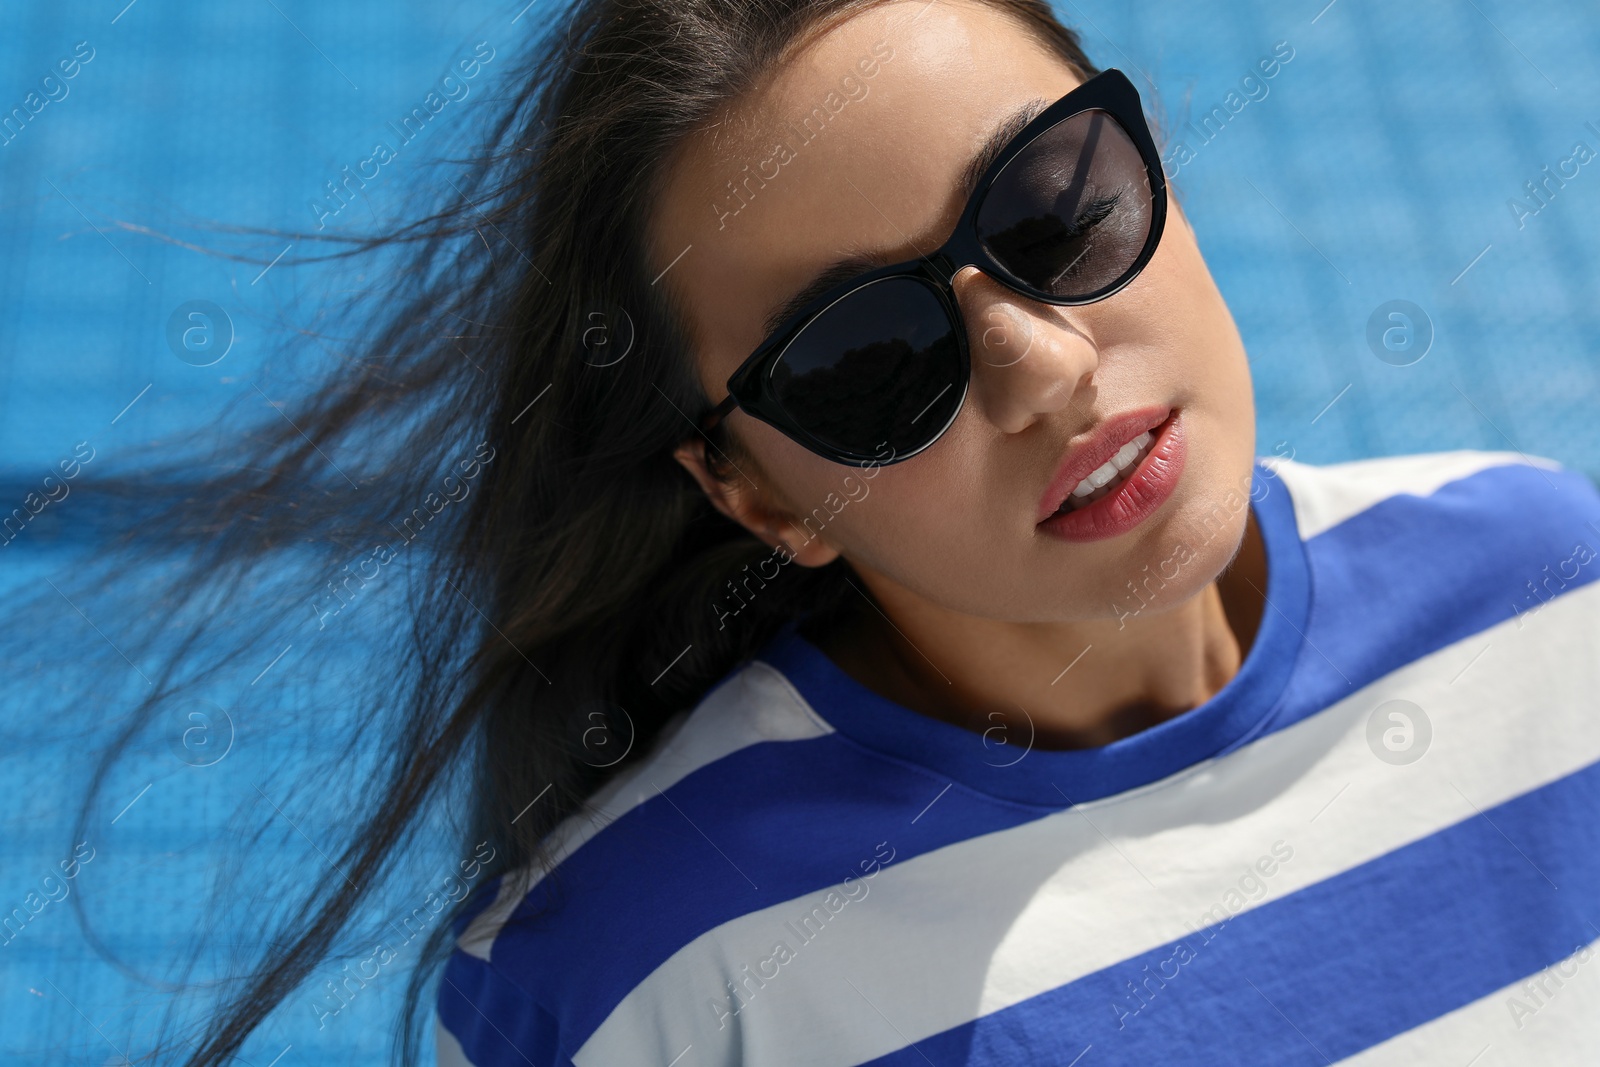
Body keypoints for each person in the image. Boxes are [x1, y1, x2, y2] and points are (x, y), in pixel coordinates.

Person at [71, 1, 1599, 1064]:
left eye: (1057, 211)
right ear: (755, 493)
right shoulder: (655, 979)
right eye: (868, 364)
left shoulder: (1546, 590)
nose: (1047, 370)